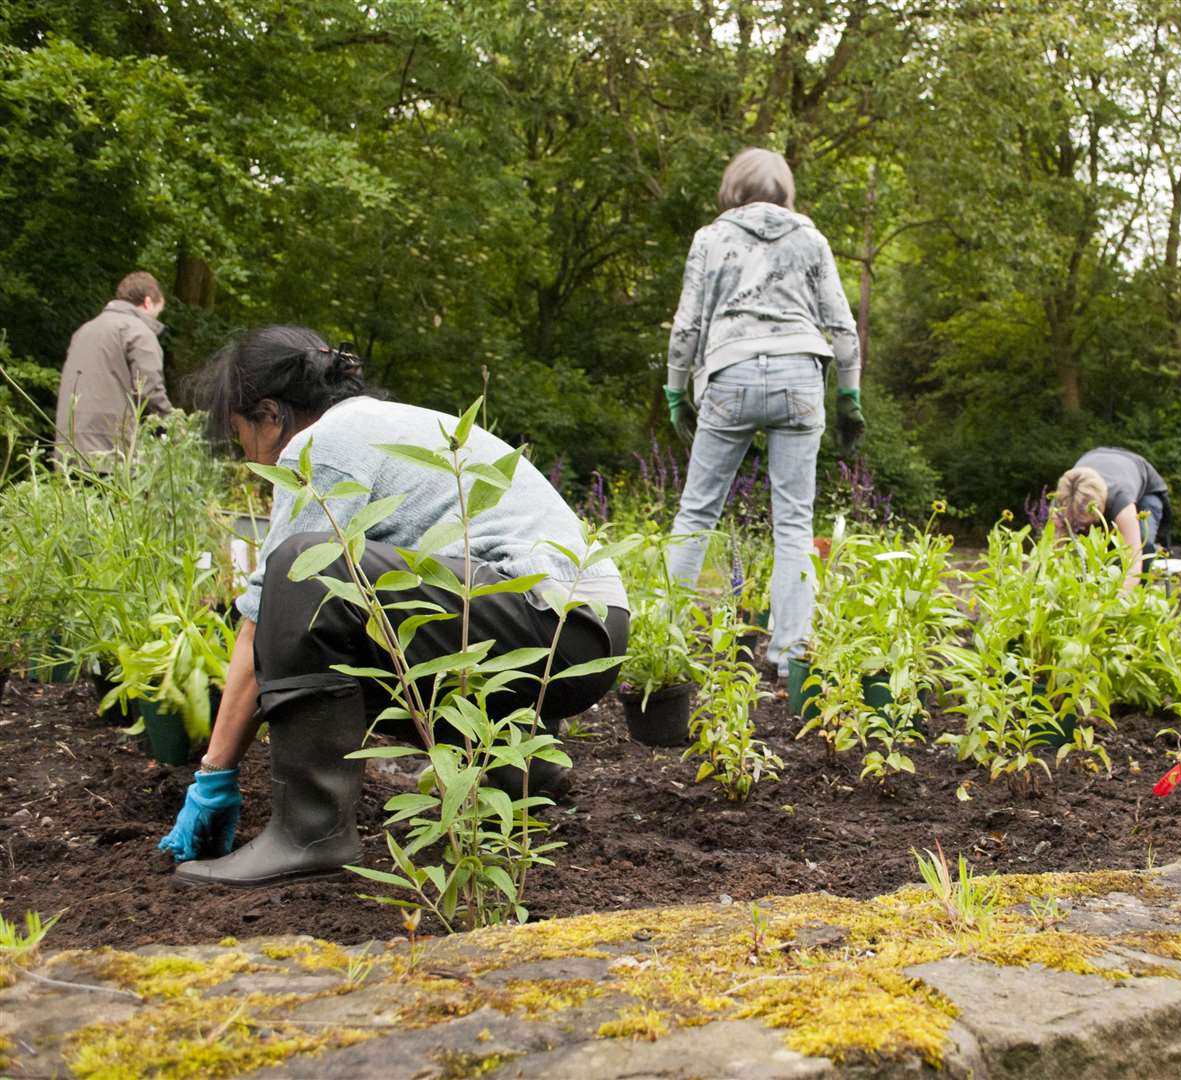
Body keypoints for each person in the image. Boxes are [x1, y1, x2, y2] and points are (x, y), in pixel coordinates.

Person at [159, 326, 630, 887]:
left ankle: (307, 836)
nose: (245, 454)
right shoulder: (383, 423)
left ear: (269, 413)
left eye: (239, 433)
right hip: (583, 631)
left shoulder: (322, 445)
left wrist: (215, 772)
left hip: (547, 620)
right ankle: (521, 770)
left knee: (302, 566)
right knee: (349, 619)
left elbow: (264, 617)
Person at [662, 147, 863, 678]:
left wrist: (676, 389)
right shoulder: (811, 238)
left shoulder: (711, 238)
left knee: (697, 513)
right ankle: (790, 654)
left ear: (732, 189)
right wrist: (850, 395)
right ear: (785, 191)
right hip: (800, 374)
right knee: (794, 523)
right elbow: (842, 326)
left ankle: (665, 643)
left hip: (731, 373)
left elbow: (686, 326)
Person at [54, 271, 174, 462]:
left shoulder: (85, 330)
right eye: (157, 313)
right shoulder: (138, 331)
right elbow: (148, 389)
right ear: (147, 302)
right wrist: (175, 428)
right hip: (108, 453)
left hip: (67, 450)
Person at [1050, 447, 1173, 583]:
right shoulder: (1064, 499)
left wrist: (1121, 600)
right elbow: (1055, 555)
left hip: (1146, 489)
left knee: (1144, 545)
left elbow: (1133, 562)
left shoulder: (1121, 500)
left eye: (1086, 522)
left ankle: (1143, 590)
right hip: (1097, 455)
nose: (1083, 527)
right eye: (1078, 521)